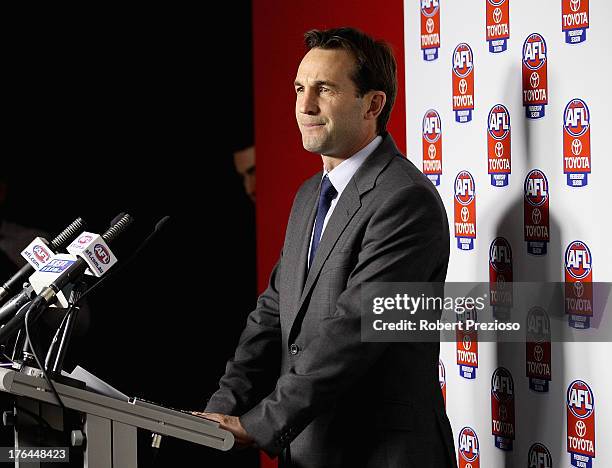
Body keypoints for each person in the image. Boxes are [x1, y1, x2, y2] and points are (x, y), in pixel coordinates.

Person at [196, 27, 456, 467]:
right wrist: (222, 408)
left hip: (381, 454)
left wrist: (262, 422)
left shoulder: (404, 198)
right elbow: (273, 311)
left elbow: (353, 330)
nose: (304, 106)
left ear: (373, 103)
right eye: (300, 88)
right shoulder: (307, 196)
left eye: (325, 89)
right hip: (311, 452)